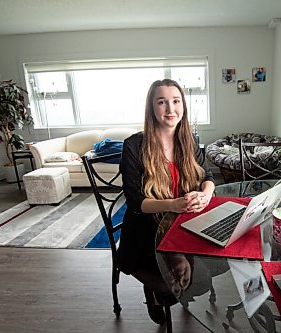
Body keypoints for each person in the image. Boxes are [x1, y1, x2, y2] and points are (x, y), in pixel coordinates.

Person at [116, 79, 215, 325]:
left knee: (203, 279)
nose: (170, 109)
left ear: (183, 106)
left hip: (182, 225)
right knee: (169, 288)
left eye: (176, 101)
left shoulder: (189, 140)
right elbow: (135, 201)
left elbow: (208, 177)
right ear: (152, 108)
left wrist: (206, 194)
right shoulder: (134, 145)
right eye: (162, 102)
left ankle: (177, 262)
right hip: (145, 229)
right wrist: (172, 204)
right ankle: (152, 290)